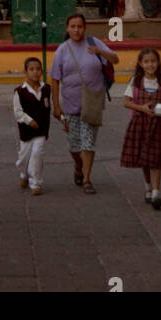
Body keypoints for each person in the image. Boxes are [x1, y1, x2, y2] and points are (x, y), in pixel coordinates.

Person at [50, 12, 119, 195]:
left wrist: (100, 52)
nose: (76, 30)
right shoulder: (62, 50)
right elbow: (55, 79)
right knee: (74, 145)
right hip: (71, 104)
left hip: (92, 102)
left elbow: (115, 59)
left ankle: (87, 178)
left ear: (85, 27)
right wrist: (56, 106)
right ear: (67, 28)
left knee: (88, 142)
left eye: (79, 26)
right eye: (72, 26)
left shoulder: (94, 43)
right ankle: (78, 166)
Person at [121, 47, 161, 209]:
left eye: (153, 61)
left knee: (156, 158)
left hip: (158, 126)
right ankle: (148, 186)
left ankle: (156, 193)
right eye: (146, 62)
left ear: (158, 63)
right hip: (140, 124)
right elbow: (126, 102)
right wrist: (142, 108)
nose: (150, 65)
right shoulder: (136, 82)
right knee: (144, 159)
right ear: (140, 64)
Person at [13, 56, 51, 195]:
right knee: (24, 157)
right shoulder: (20, 92)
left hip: (42, 129)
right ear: (26, 72)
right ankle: (24, 174)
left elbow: (48, 107)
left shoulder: (46, 89)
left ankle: (35, 183)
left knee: (37, 153)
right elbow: (17, 112)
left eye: (38, 69)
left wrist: (62, 118)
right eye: (31, 69)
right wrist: (29, 121)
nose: (35, 72)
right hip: (26, 131)